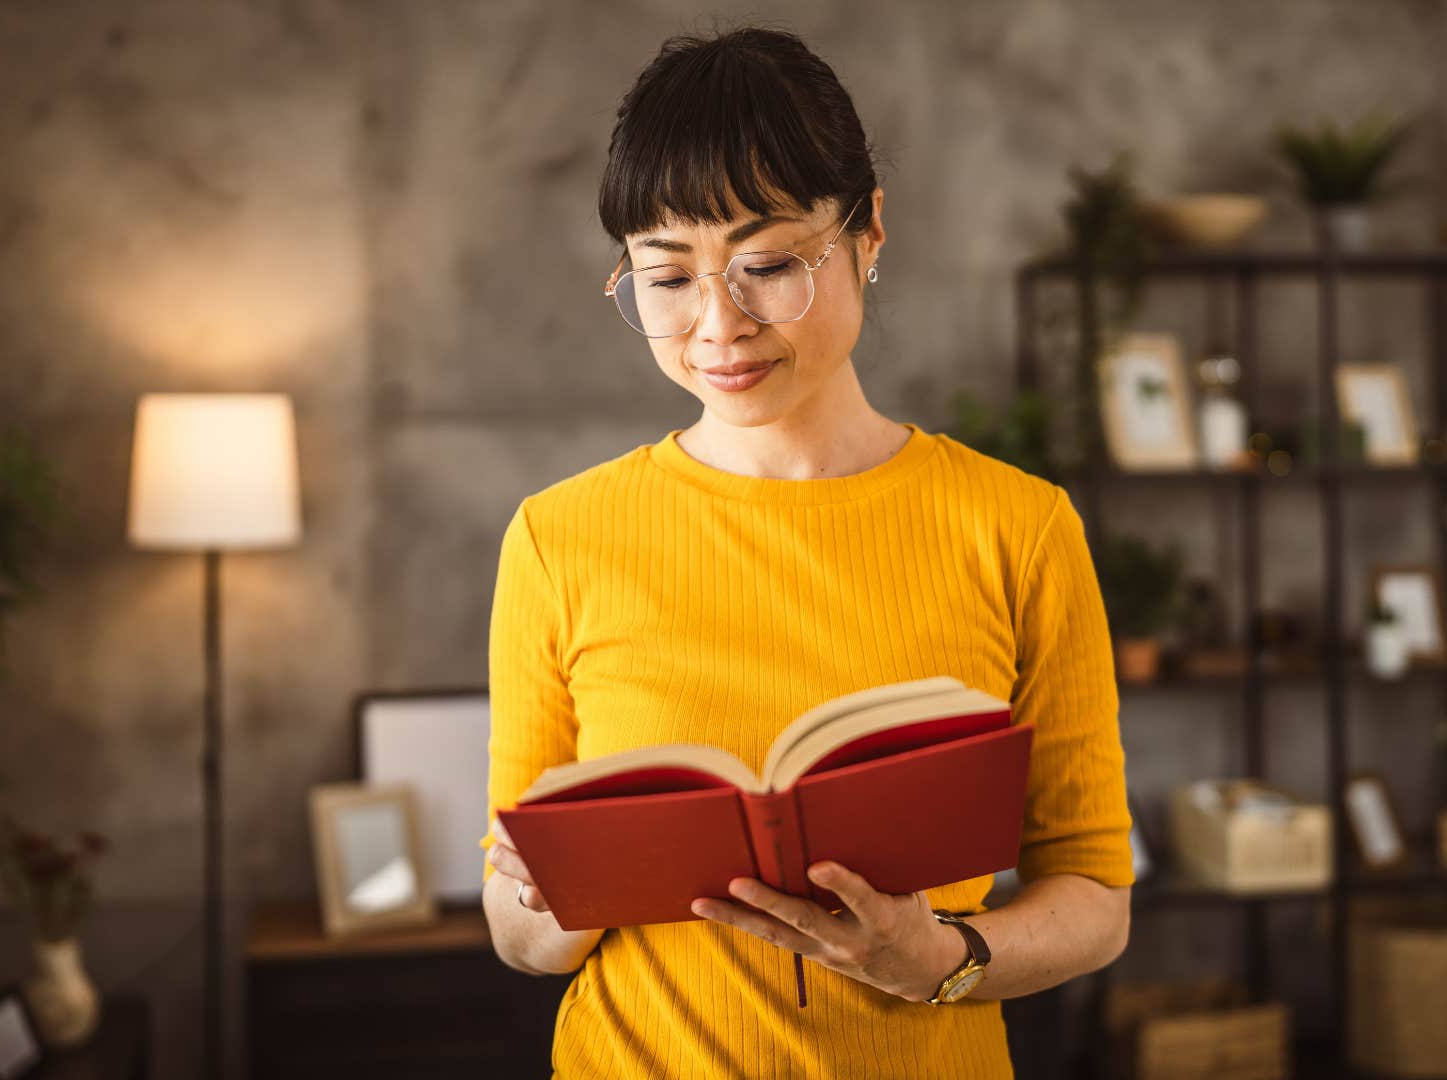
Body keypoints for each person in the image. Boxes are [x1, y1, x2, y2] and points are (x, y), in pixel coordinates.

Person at [477, 24, 1133, 1079]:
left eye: (767, 264)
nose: (716, 327)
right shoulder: (559, 537)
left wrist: (942, 961)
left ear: (869, 233)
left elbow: (1096, 898)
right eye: (667, 276)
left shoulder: (1019, 526)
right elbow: (519, 936)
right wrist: (547, 901)